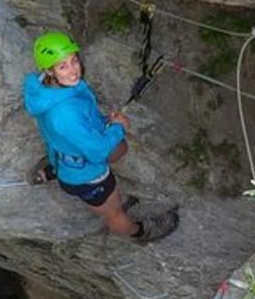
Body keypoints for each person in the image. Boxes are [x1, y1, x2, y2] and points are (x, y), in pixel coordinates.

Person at [23, 32, 179, 243]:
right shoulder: (65, 114)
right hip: (86, 176)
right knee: (113, 213)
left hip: (66, 156)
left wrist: (104, 123)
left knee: (120, 148)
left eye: (74, 60)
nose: (74, 71)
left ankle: (52, 172)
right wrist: (117, 127)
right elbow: (98, 152)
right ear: (49, 70)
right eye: (63, 66)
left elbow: (78, 125)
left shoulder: (44, 87)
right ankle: (139, 232)